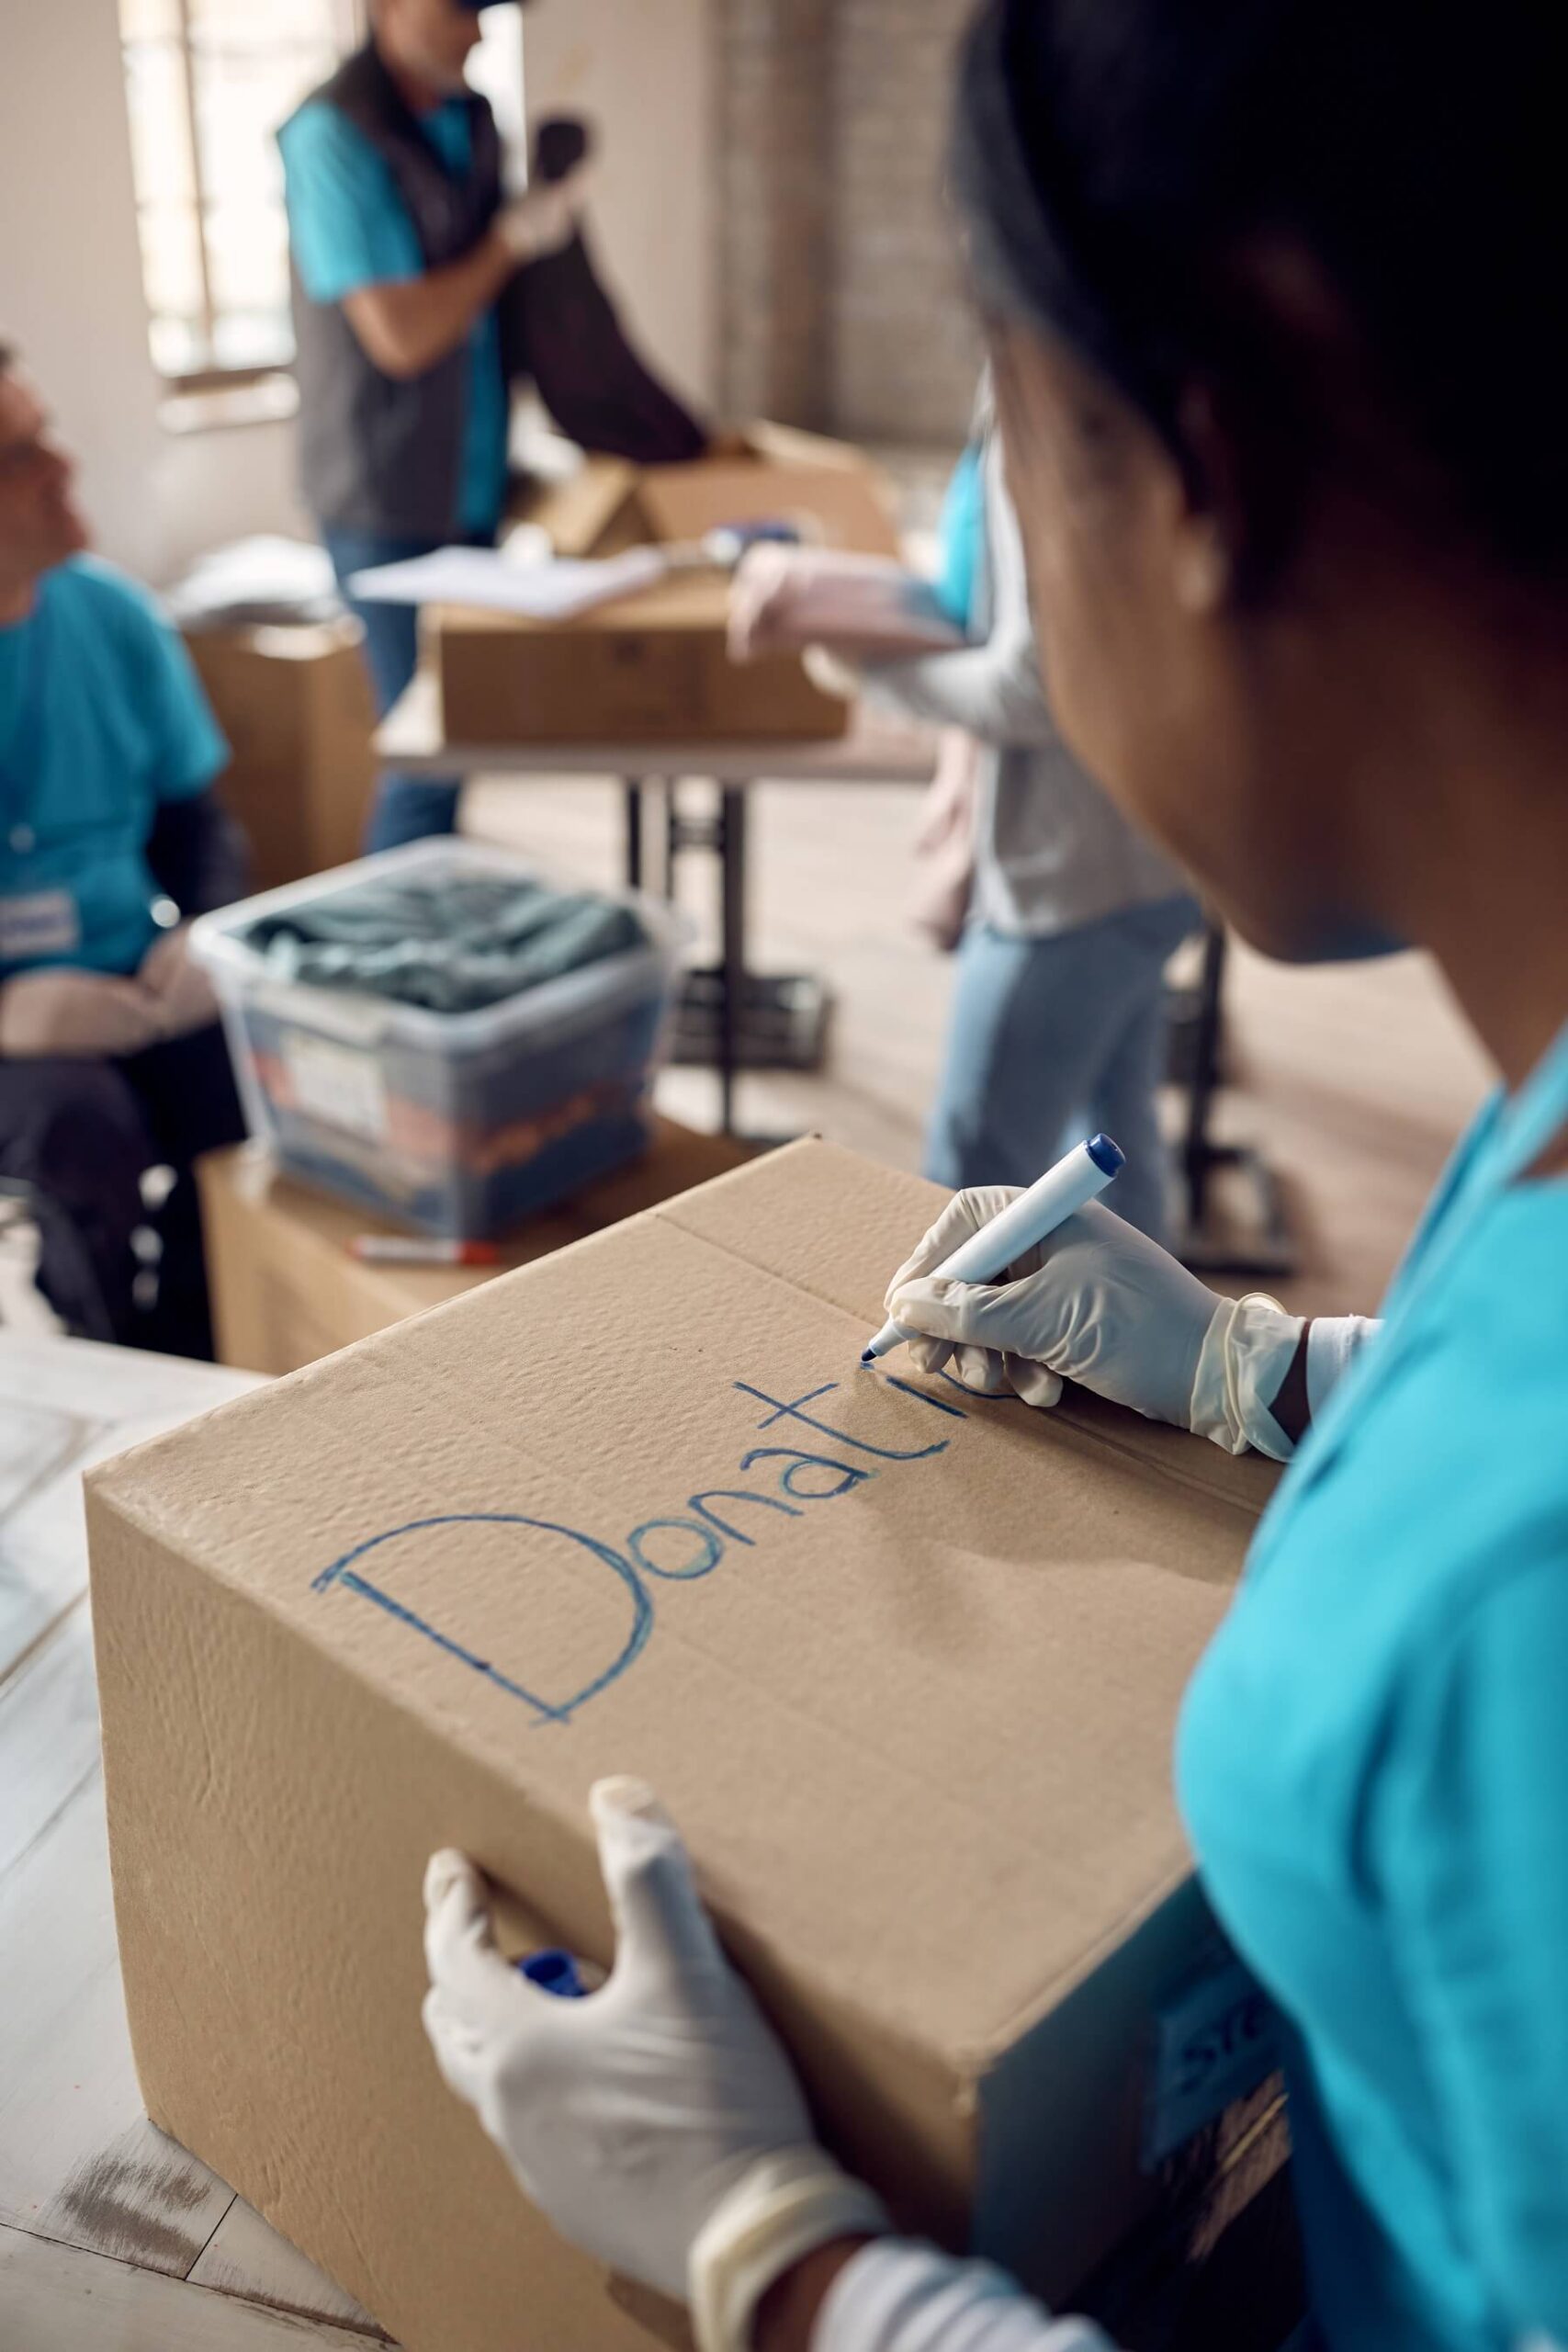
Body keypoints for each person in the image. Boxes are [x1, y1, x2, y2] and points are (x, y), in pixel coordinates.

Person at [420, 2, 1568, 2348]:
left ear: (1188, 466)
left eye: (1008, 450)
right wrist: (1266, 1368)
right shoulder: (1520, 1109)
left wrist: (793, 2263)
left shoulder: (1509, 1619)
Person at [736, 385, 1198, 1241]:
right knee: (1115, 1141)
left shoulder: (1053, 402)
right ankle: (1155, 1368)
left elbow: (1032, 689)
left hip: (1078, 874)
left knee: (965, 1195)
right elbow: (997, 601)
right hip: (1149, 849)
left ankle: (936, 1382)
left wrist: (856, 667)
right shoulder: (1080, 372)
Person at [278, 0, 589, 852]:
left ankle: (435, 928)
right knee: (424, 751)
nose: (476, 32)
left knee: (463, 735)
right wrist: (507, 243)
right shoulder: (332, 138)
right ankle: (393, 962)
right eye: (456, 10)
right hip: (382, 497)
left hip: (474, 477)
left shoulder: (472, 120)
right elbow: (404, 337)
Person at [0, 349, 248, 1357]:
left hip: (132, 967)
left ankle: (206, 1340)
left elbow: (198, 823)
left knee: (251, 1068)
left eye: (45, 431)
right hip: (18, 1024)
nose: (63, 466)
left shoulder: (114, 617)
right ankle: (111, 1355)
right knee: (80, 1127)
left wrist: (201, 929)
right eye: (18, 455)